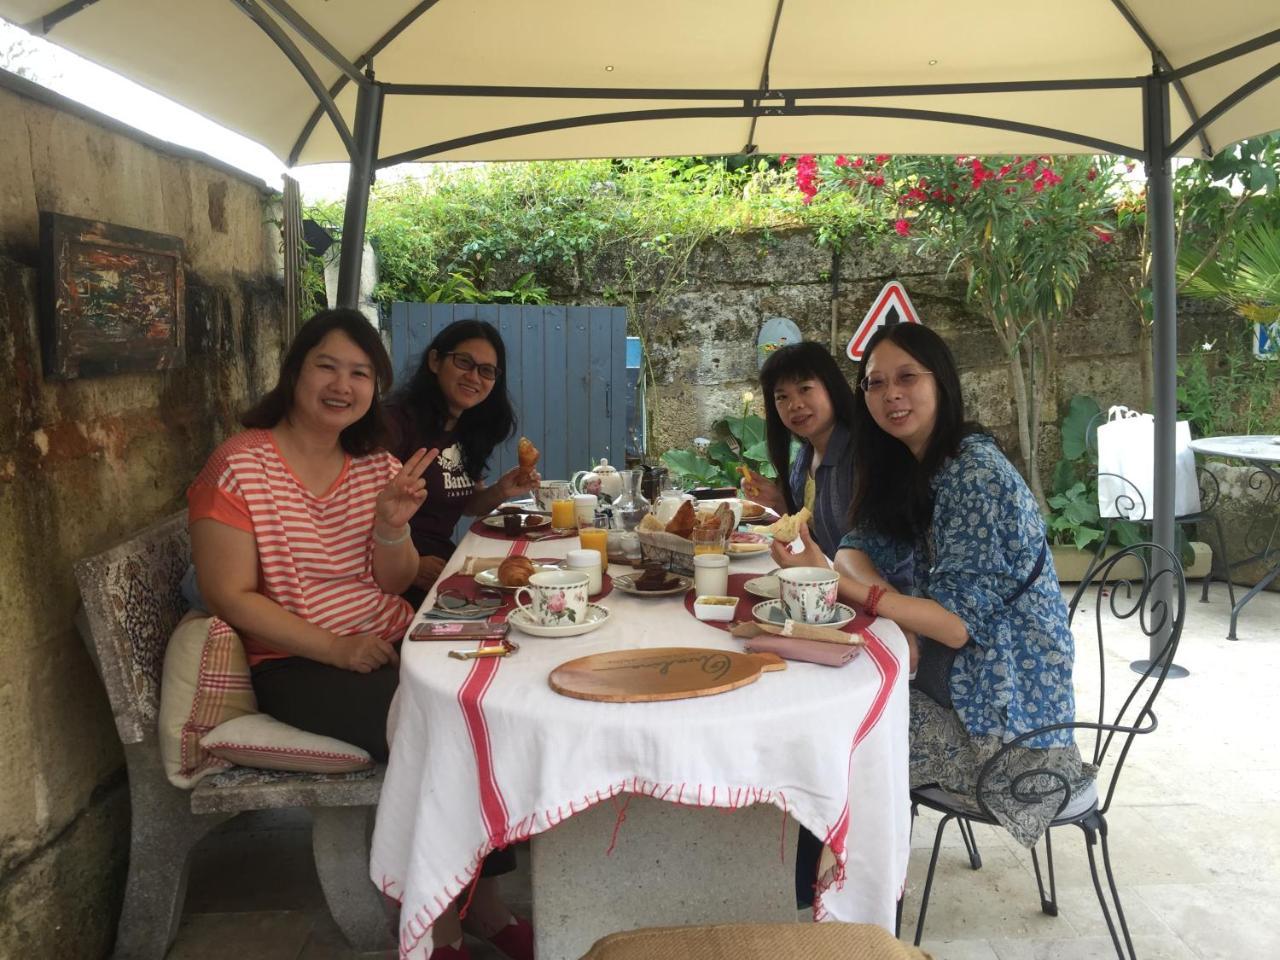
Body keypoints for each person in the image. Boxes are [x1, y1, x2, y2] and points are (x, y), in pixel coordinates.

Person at [188, 309, 529, 960]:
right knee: (439, 733)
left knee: (492, 702)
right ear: (295, 372)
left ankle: (484, 899)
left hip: (389, 637)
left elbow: (391, 575)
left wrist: (393, 525)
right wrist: (335, 648)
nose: (342, 385)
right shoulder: (238, 466)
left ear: (375, 386)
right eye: (327, 366)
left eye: (361, 373)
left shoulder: (373, 465)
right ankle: (436, 926)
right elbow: (226, 594)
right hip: (296, 662)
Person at [774, 323, 1091, 888]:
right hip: (959, 679)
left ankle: (841, 901)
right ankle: (817, 889)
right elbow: (854, 548)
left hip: (1008, 722)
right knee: (823, 703)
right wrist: (875, 595)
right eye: (874, 383)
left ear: (941, 382)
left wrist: (855, 592)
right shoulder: (912, 466)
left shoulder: (976, 474)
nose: (890, 393)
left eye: (906, 377)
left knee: (833, 728)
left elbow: (954, 626)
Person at [385, 320, 540, 605]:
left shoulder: (466, 429)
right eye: (464, 362)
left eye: (486, 371)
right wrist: (411, 564)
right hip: (395, 579)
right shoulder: (396, 424)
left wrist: (501, 491)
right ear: (435, 360)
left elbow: (465, 503)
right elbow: (361, 515)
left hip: (443, 564)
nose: (474, 377)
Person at [741, 341, 859, 556]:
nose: (794, 405)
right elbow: (811, 537)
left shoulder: (859, 456)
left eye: (805, 389)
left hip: (867, 587)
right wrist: (777, 500)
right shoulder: (804, 458)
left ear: (831, 387)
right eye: (782, 397)